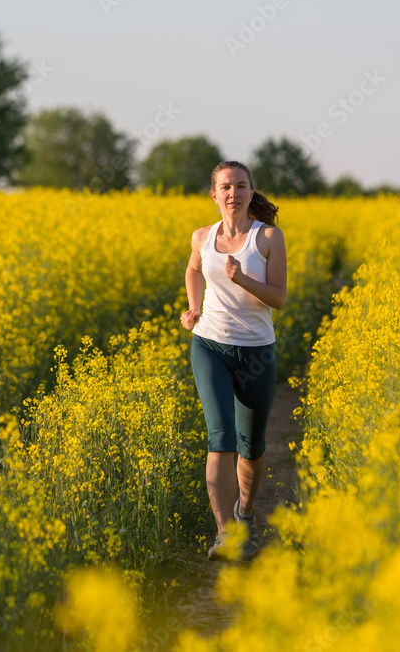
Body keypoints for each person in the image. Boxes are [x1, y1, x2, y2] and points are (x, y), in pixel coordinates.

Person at [180, 160, 287, 561]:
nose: (233, 193)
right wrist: (193, 309)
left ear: (250, 192)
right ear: (214, 194)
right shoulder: (202, 237)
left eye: (241, 186)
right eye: (225, 186)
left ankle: (246, 514)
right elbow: (193, 271)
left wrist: (242, 279)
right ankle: (224, 533)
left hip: (256, 351)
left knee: (252, 446)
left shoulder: (269, 238)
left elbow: (279, 298)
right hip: (210, 345)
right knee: (220, 437)